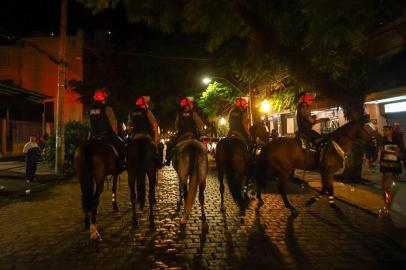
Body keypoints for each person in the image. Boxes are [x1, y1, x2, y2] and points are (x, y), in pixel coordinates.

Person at [89, 89, 125, 170]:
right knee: (121, 144)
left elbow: (90, 124)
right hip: (107, 135)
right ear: (104, 99)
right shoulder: (107, 109)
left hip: (93, 135)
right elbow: (114, 124)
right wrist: (115, 135)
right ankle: (120, 164)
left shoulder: (90, 110)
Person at [164, 97, 205, 166]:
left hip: (181, 135)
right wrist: (201, 132)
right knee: (202, 147)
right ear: (188, 105)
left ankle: (168, 160)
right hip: (193, 134)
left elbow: (176, 125)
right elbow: (200, 124)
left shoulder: (179, 114)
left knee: (171, 145)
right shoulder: (193, 113)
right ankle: (203, 162)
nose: (192, 105)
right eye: (191, 104)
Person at [128, 96, 164, 167]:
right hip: (146, 135)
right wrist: (156, 137)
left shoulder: (131, 113)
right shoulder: (147, 111)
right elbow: (155, 124)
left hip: (135, 136)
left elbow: (128, 127)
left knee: (125, 148)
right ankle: (159, 163)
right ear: (145, 104)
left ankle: (125, 163)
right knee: (159, 147)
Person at [379, 125, 403, 205]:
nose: (384, 132)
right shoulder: (383, 140)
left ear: (391, 130)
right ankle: (387, 197)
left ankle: (390, 195)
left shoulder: (398, 141)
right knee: (386, 181)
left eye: (386, 130)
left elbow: (402, 152)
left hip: (395, 164)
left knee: (394, 181)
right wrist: (380, 159)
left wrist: (399, 153)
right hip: (385, 163)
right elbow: (381, 152)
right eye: (383, 130)